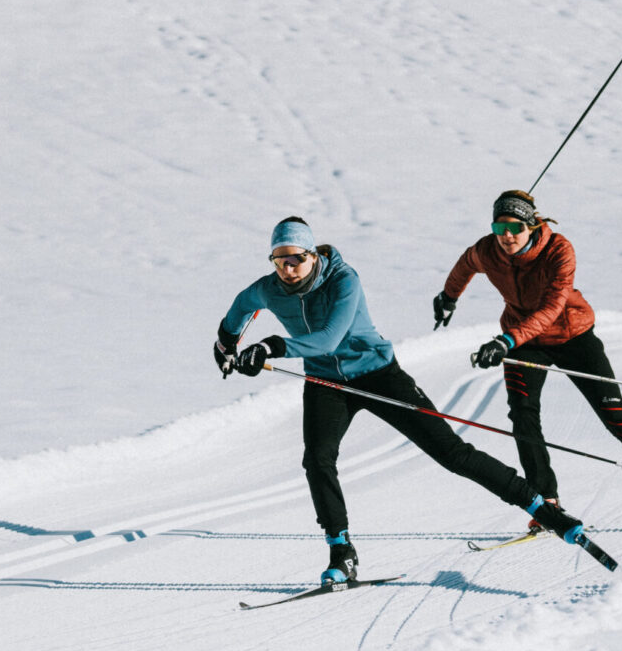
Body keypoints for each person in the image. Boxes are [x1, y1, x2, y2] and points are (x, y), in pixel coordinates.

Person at [215, 217, 592, 585]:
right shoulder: (269, 288)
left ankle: (542, 508)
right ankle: (341, 552)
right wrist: (226, 346)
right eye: (279, 260)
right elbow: (239, 308)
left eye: (296, 259)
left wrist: (271, 347)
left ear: (313, 255)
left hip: (377, 373)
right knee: (317, 459)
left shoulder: (343, 279)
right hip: (325, 382)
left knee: (451, 453)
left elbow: (328, 339)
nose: (288, 269)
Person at [432, 190, 622, 533]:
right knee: (523, 417)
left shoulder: (558, 250)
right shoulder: (487, 250)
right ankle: (545, 502)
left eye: (515, 227)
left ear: (531, 224)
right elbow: (465, 265)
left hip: (571, 336)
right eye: (499, 227)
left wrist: (505, 341)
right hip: (524, 342)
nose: (506, 236)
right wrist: (448, 297)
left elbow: (551, 308)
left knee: (616, 416)